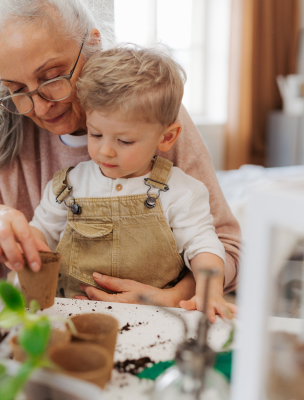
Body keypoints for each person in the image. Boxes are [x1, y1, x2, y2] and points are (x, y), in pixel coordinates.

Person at [0, 0, 241, 308]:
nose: (38, 106)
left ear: (92, 44)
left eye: (51, 76)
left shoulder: (149, 110)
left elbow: (225, 246)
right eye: (16, 88)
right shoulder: (15, 131)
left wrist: (175, 296)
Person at [27, 46, 236, 321]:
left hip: (158, 319)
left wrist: (209, 290)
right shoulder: (68, 187)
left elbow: (204, 246)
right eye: (95, 134)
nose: (105, 151)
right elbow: (39, 234)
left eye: (124, 141)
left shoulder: (182, 192)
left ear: (167, 137)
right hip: (73, 317)